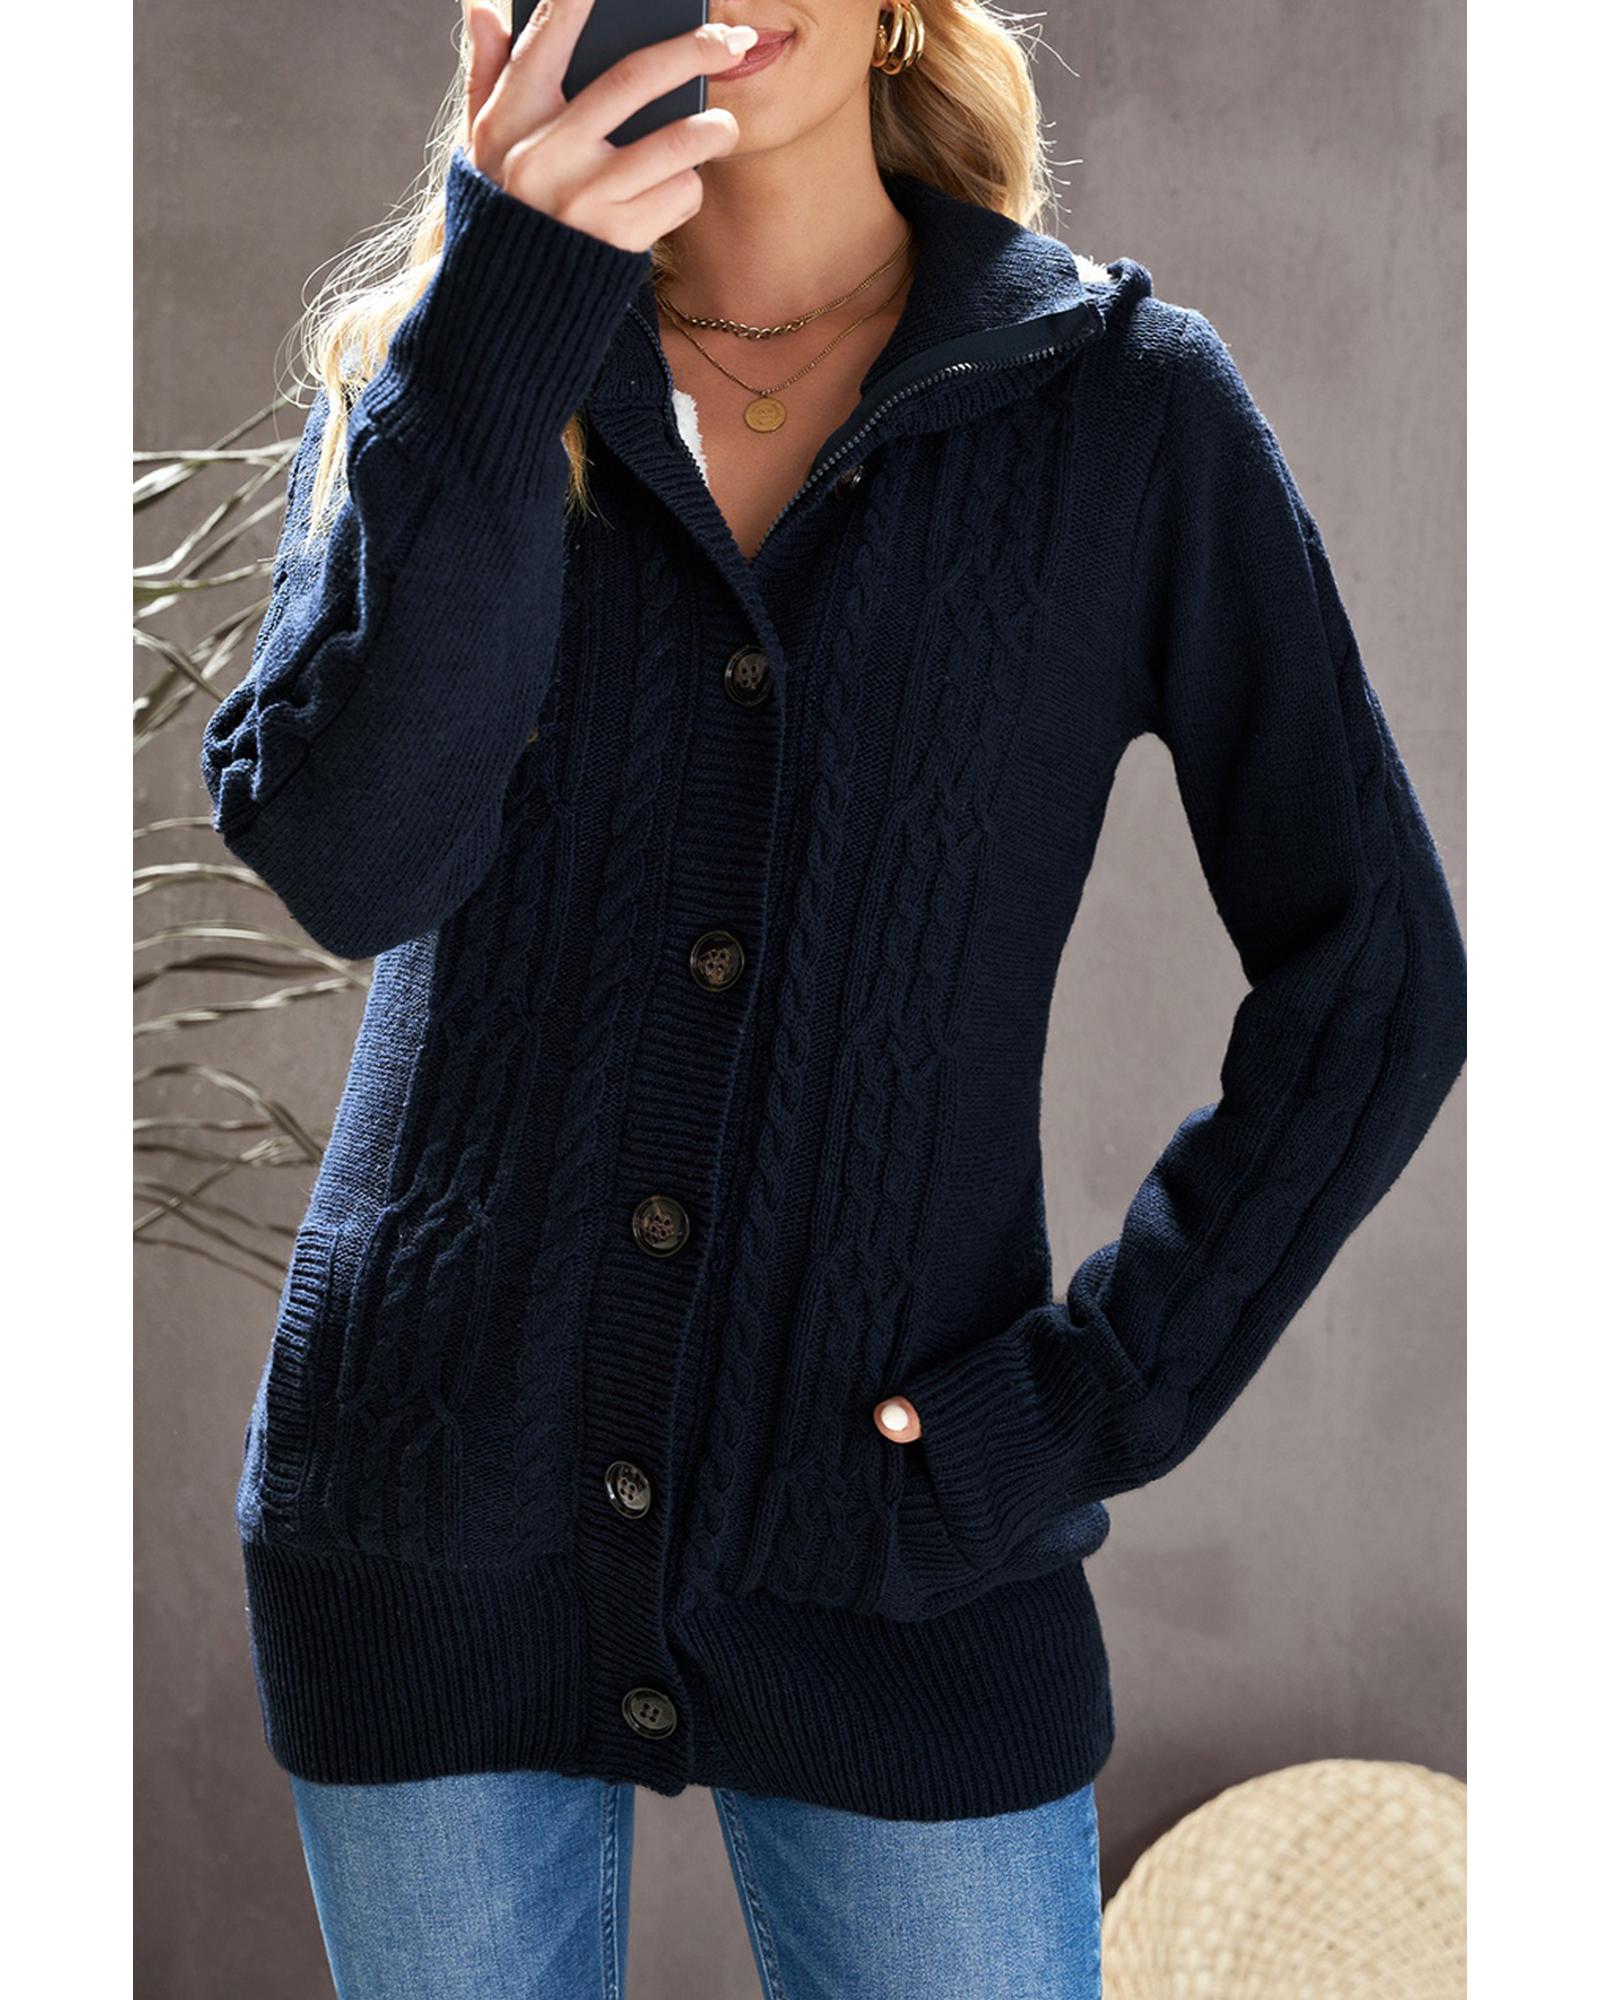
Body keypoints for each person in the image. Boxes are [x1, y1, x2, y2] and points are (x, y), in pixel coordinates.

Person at [199, 1, 1468, 1994]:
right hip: (431, 1487)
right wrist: (508, 305)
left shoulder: (1116, 410)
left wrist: (1072, 1408)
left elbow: (1376, 974)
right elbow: (353, 866)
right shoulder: (446, 376)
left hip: (896, 1543)